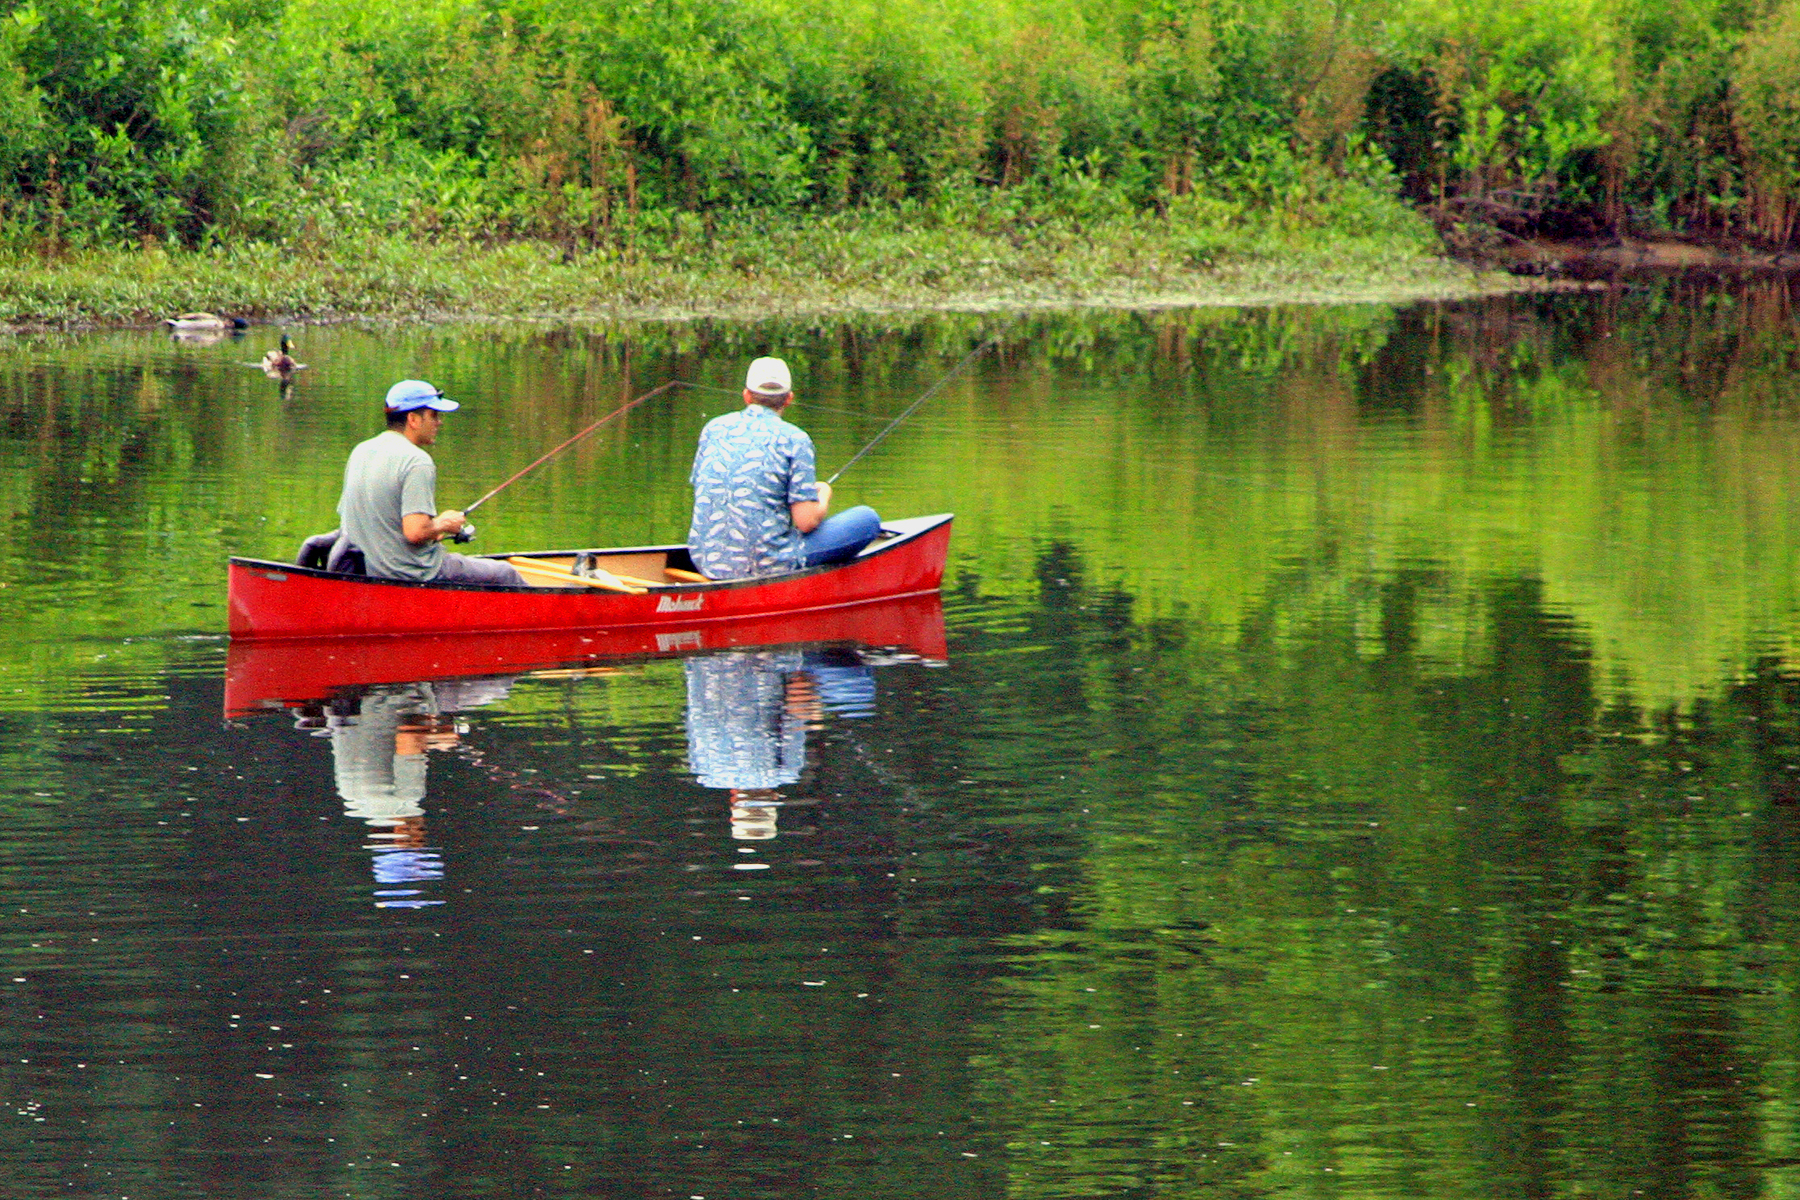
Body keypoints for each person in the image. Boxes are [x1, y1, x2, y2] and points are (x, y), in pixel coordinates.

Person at [687, 356, 882, 580]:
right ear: (789, 399)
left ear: (746, 395)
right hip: (766, 565)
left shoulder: (714, 428)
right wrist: (824, 495)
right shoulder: (795, 439)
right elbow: (806, 521)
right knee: (867, 520)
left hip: (705, 561)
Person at [337, 380, 524, 586]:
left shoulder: (361, 451)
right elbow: (415, 532)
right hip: (412, 572)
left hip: (367, 569)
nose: (439, 422)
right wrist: (443, 523)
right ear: (413, 419)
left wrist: (433, 531)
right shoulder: (417, 461)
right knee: (506, 574)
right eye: (434, 415)